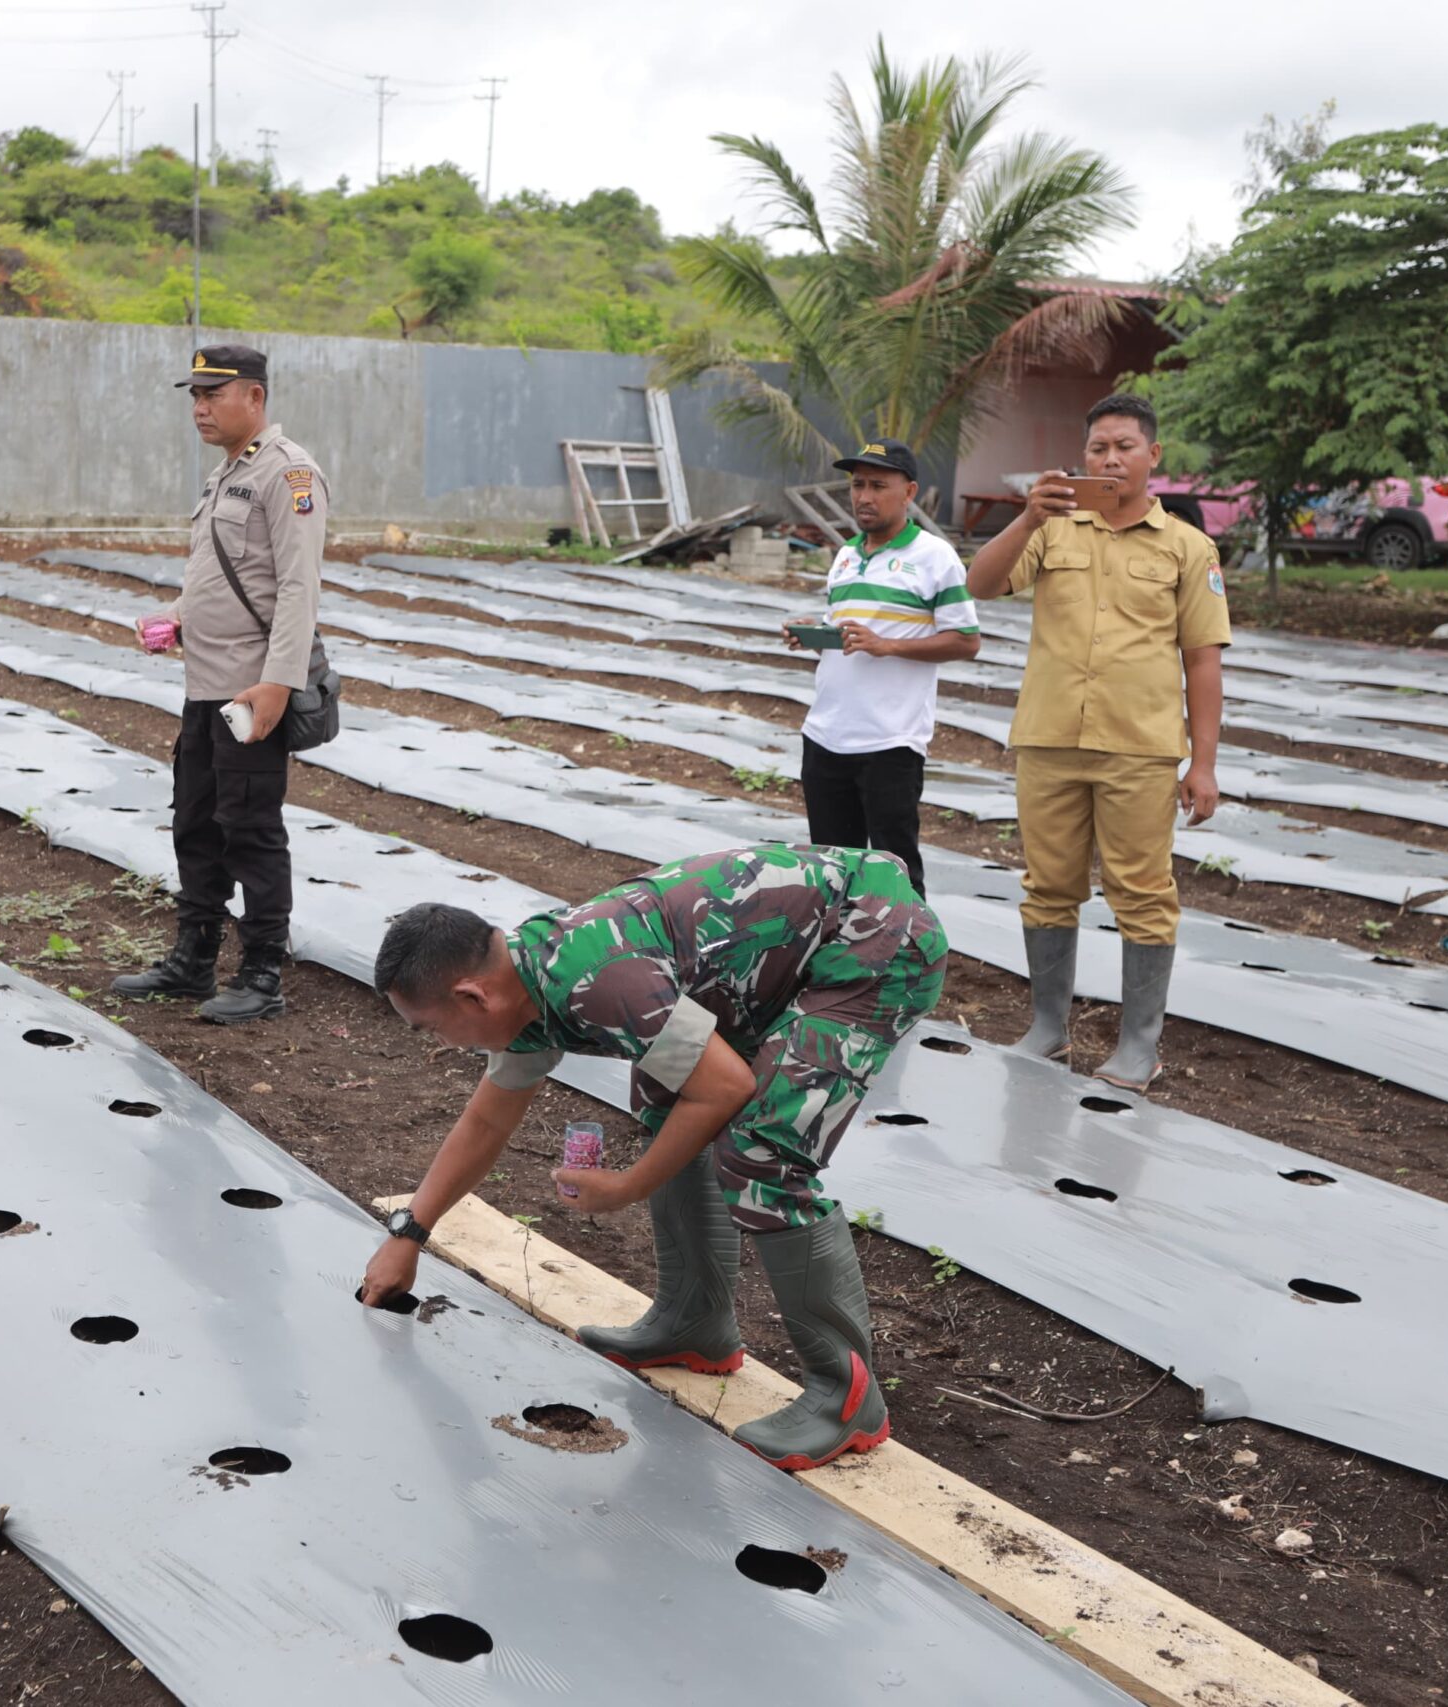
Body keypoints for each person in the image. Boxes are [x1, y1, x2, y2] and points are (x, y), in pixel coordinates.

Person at [362, 843, 948, 1471]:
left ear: (474, 997)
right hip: (770, 960)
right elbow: (486, 1120)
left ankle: (846, 1397)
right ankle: (694, 1321)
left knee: (764, 1152)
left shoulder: (599, 982)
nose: (439, 1043)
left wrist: (625, 1187)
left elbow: (726, 1088)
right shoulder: (524, 988)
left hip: (868, 940)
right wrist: (410, 1233)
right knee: (669, 1101)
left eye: (430, 1027)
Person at [964, 393, 1230, 1090]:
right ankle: (1048, 1030)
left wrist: (1202, 764)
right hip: (1050, 738)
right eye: (1097, 449)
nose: (1109, 460)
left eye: (1123, 447)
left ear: (1153, 456)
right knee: (1048, 887)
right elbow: (980, 584)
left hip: (1139, 748)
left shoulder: (1187, 548)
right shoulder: (1052, 531)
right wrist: (1026, 516)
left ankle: (1139, 1045)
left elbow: (1203, 659)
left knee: (1141, 892)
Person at [110, 345, 326, 1025]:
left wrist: (277, 685)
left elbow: (297, 588)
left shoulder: (289, 472)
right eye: (194, 396)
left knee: (250, 827)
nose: (200, 407)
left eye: (214, 394)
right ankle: (193, 956)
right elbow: (215, 575)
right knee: (195, 822)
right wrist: (173, 617)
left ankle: (262, 970)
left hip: (249, 691)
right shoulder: (225, 474)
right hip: (205, 686)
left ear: (254, 398)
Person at [796, 438, 981, 895]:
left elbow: (966, 641)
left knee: (894, 874)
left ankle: (907, 960)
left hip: (889, 741)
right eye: (858, 485)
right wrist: (812, 634)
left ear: (909, 491)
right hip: (825, 735)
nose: (864, 496)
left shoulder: (935, 557)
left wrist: (888, 645)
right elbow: (842, 638)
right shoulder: (844, 556)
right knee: (832, 873)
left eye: (879, 485)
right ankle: (842, 962)